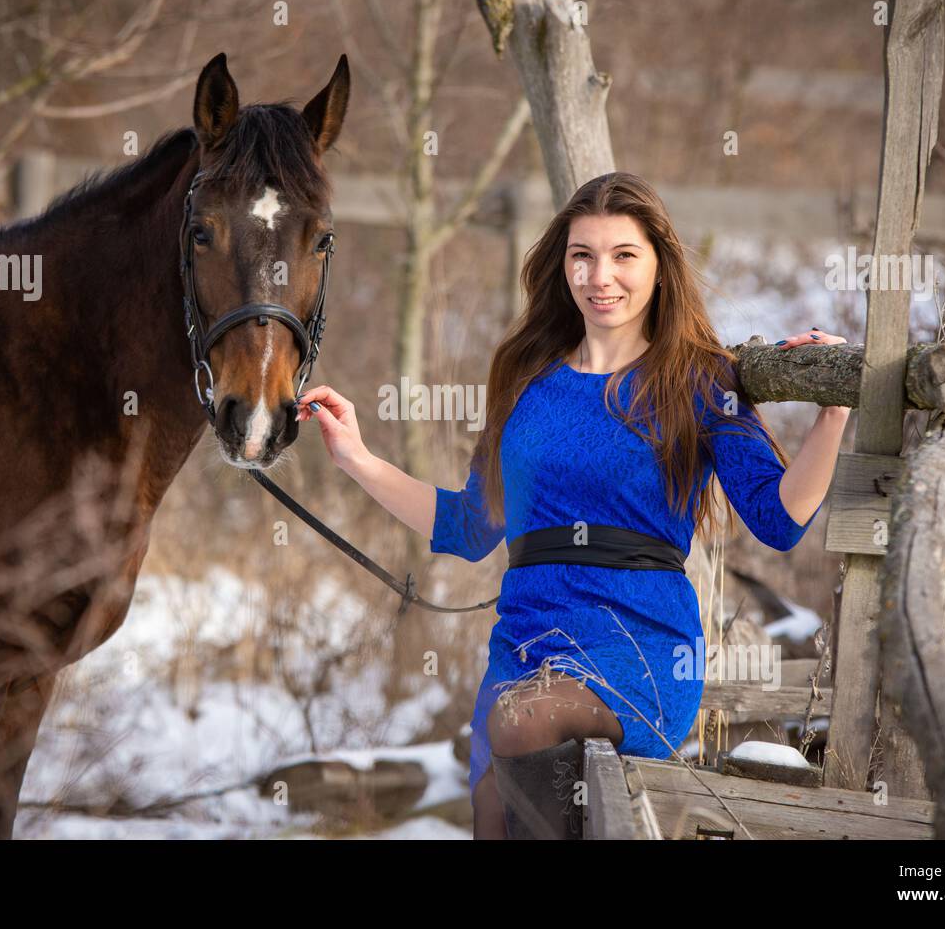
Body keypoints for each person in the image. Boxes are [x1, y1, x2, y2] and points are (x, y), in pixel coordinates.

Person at [292, 172, 850, 839]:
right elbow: (469, 527)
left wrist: (833, 416)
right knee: (494, 812)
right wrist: (357, 457)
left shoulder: (698, 379)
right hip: (526, 640)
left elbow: (779, 518)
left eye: (623, 255)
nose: (600, 276)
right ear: (562, 265)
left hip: (638, 643)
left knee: (523, 720)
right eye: (582, 255)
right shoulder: (525, 378)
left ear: (660, 268)